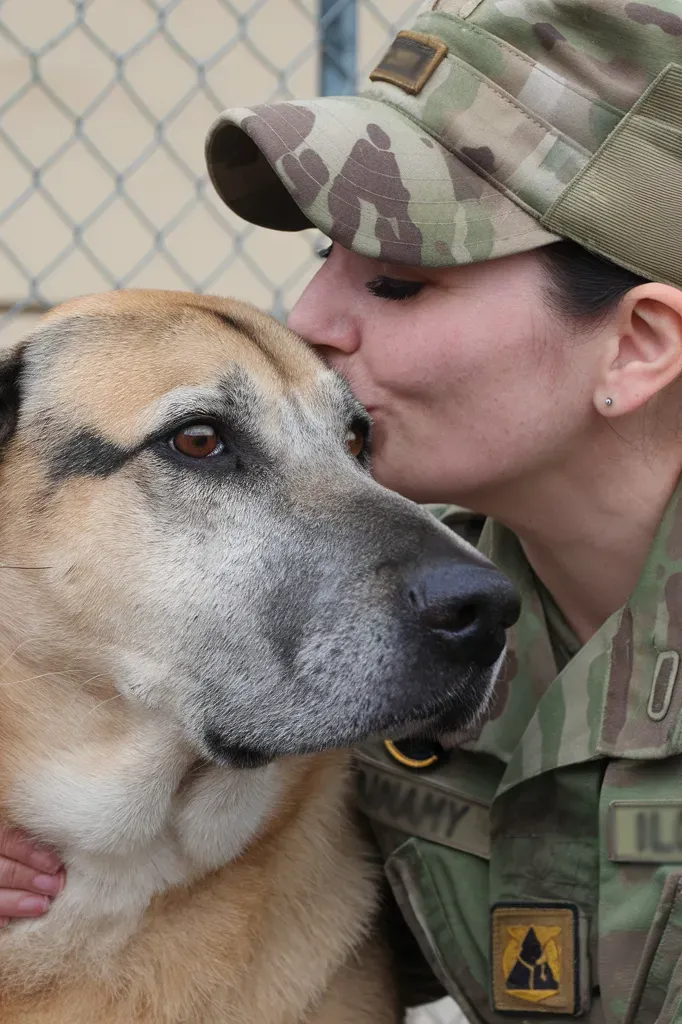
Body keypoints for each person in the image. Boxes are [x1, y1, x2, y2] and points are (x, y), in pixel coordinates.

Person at [2, 0, 682, 1020]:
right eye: (325, 257)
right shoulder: (445, 622)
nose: (311, 321)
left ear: (636, 346)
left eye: (400, 283)